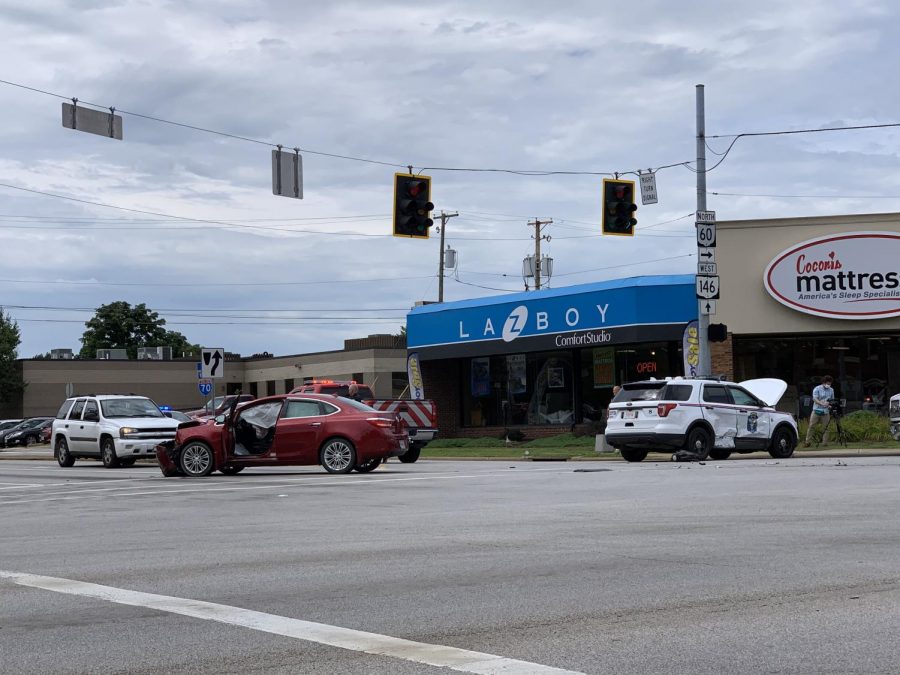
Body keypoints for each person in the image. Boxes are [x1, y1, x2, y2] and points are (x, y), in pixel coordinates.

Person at [804, 375, 834, 446]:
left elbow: (832, 399)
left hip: (826, 411)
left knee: (826, 427)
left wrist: (829, 405)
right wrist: (821, 403)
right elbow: (815, 398)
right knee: (811, 426)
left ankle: (824, 443)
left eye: (830, 384)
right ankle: (807, 442)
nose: (828, 385)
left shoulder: (831, 390)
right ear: (823, 382)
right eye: (827, 383)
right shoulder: (817, 388)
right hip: (816, 410)